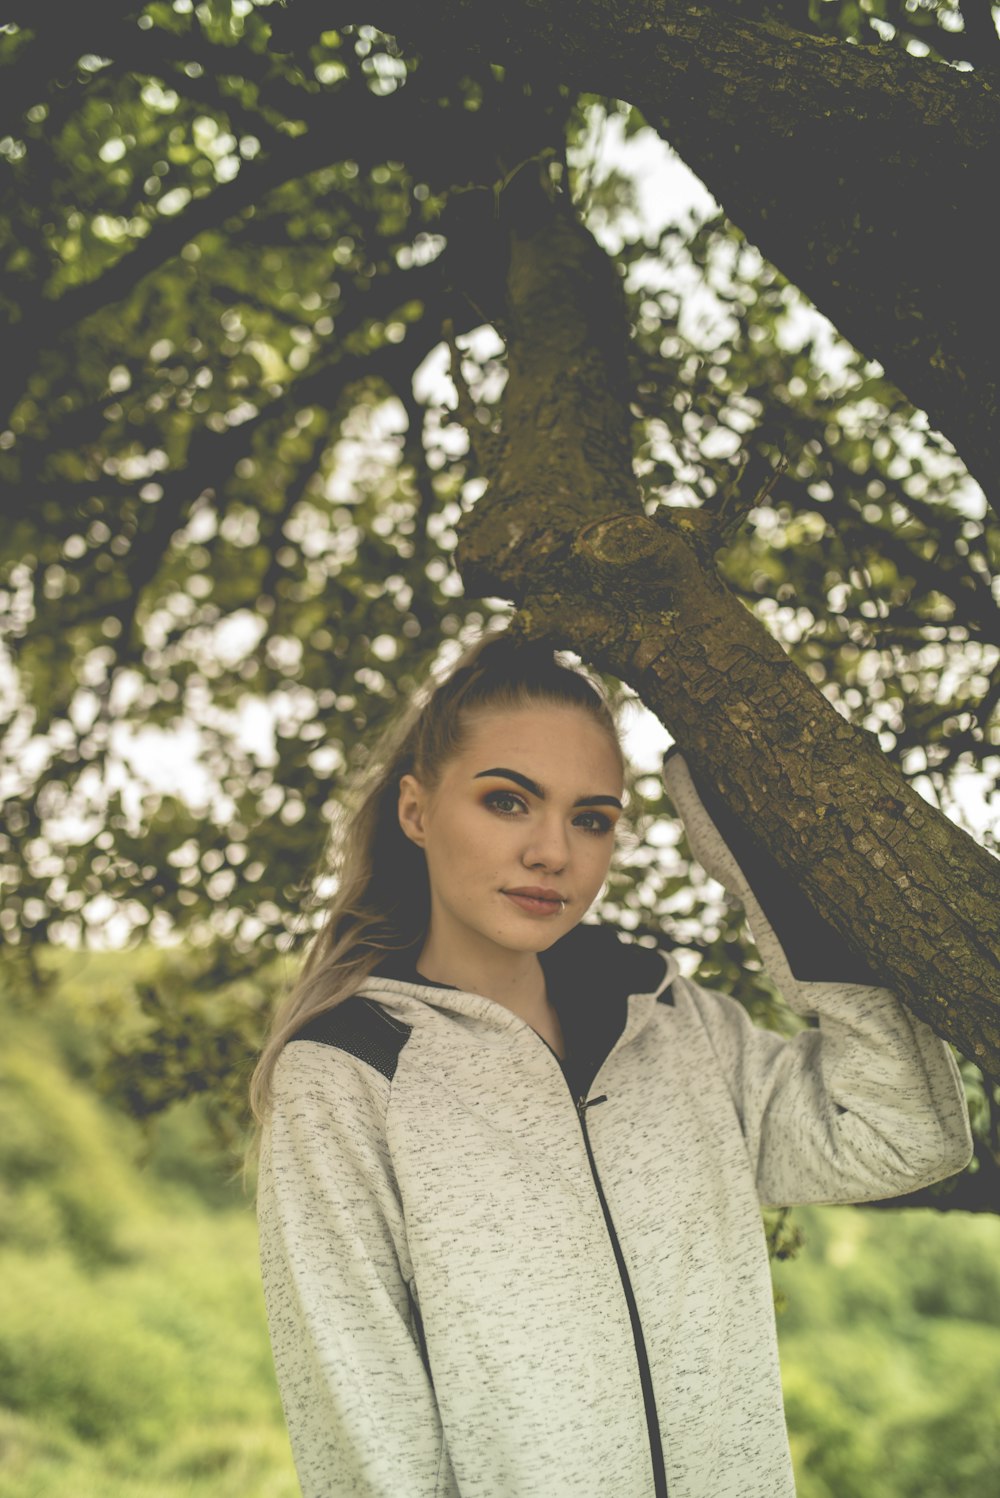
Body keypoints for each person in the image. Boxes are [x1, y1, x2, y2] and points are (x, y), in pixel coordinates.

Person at [251, 628, 973, 1498]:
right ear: (416, 812)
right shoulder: (347, 1073)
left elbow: (907, 1135)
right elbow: (366, 1437)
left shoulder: (669, 1022)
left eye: (590, 819)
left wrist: (774, 851)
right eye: (508, 802)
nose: (553, 851)